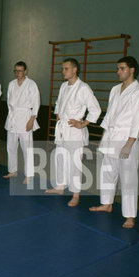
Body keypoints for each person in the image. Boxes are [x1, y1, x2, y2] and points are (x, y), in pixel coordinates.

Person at [89, 56, 139, 229]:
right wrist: (103, 138)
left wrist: (129, 144)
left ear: (132, 70)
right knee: (107, 172)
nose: (118, 72)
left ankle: (130, 215)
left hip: (126, 138)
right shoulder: (115, 89)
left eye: (122, 68)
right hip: (111, 136)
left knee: (128, 178)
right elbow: (109, 116)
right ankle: (106, 204)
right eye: (117, 68)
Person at [45, 58, 101, 206]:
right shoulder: (64, 86)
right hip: (63, 128)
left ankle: (76, 194)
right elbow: (59, 104)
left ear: (75, 69)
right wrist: (58, 118)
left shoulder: (83, 88)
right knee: (60, 157)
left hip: (75, 130)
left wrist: (83, 124)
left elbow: (96, 109)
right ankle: (60, 186)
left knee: (75, 162)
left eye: (66, 69)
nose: (63, 71)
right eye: (62, 68)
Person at [2, 61, 40, 184]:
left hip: (25, 118)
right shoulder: (11, 84)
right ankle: (13, 170)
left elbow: (36, 103)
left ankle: (29, 175)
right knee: (10, 146)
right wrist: (10, 116)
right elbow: (9, 103)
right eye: (16, 71)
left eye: (20, 71)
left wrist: (32, 119)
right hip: (13, 117)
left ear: (25, 71)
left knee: (26, 148)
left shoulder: (31, 84)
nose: (17, 73)